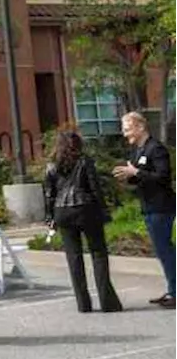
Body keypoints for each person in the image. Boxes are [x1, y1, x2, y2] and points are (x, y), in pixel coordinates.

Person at [45, 131, 122, 313]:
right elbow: (95, 189)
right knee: (98, 253)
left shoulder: (51, 166)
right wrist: (104, 211)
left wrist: (49, 218)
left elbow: (49, 194)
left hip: (62, 211)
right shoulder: (85, 161)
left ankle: (83, 304)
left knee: (74, 257)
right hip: (86, 209)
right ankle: (107, 301)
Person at [114, 111, 177, 307]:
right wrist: (128, 175)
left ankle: (175, 292)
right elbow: (141, 177)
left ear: (140, 127)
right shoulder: (138, 151)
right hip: (149, 207)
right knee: (162, 250)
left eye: (127, 129)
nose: (125, 134)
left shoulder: (156, 149)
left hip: (162, 207)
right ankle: (172, 290)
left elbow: (163, 177)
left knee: (166, 250)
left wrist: (136, 172)